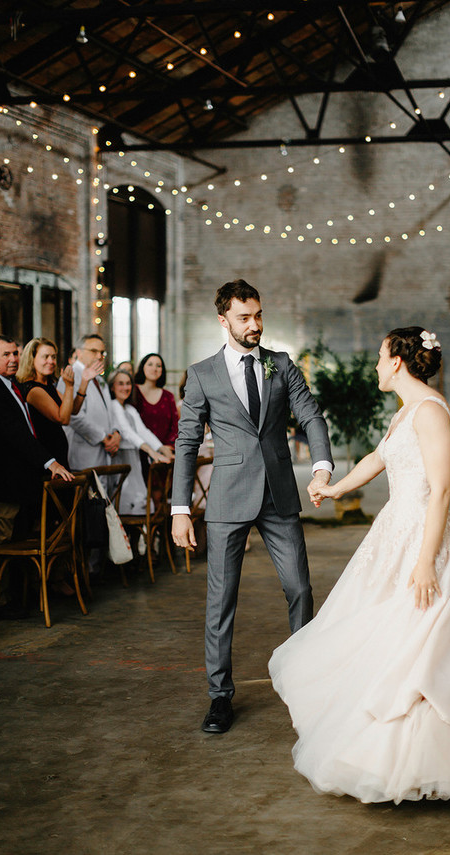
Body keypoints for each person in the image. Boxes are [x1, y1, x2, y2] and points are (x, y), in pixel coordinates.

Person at [269, 326, 450, 805]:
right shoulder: (405, 413)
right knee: (384, 635)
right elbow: (379, 458)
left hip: (424, 539)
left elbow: (442, 490)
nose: (377, 365)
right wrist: (335, 488)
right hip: (393, 533)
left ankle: (440, 758)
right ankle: (379, 749)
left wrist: (425, 562)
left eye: (381, 357)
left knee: (428, 641)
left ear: (398, 362)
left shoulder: (431, 412)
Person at [172, 279, 333, 734]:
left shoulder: (281, 365)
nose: (254, 325)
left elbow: (311, 414)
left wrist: (321, 465)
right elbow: (186, 443)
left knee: (300, 589)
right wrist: (179, 508)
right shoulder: (202, 374)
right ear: (223, 320)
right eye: (244, 317)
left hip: (280, 494)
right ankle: (220, 697)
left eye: (258, 315)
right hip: (227, 499)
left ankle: (305, 684)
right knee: (220, 602)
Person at [0, 336, 72, 617]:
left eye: (14, 353)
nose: (12, 358)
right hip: (1, 482)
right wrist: (50, 462)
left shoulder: (9, 385)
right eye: (5, 354)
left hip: (19, 480)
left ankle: (12, 598)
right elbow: (14, 433)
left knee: (14, 538)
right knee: (1, 541)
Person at [16, 337, 102, 467]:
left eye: (53, 357)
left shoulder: (49, 386)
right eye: (45, 357)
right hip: (47, 453)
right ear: (32, 359)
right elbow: (63, 419)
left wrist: (84, 382)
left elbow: (73, 409)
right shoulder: (32, 389)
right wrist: (69, 387)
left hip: (59, 452)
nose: (51, 361)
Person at [108, 369, 172, 514]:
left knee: (141, 503)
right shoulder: (113, 405)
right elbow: (127, 432)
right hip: (120, 459)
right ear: (112, 387)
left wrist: (162, 449)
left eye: (128, 383)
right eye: (120, 384)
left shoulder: (130, 408)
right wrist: (151, 452)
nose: (125, 387)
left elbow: (143, 431)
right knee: (125, 503)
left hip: (133, 458)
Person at [58, 334, 121, 471]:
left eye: (102, 353)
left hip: (105, 452)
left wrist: (116, 433)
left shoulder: (99, 379)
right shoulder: (70, 374)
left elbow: (109, 411)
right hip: (83, 451)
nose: (99, 356)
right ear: (79, 352)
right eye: (94, 351)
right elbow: (73, 416)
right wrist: (104, 438)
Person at [134, 353, 178, 459]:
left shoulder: (168, 396)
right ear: (142, 367)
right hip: (137, 451)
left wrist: (166, 447)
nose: (154, 368)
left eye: (158, 366)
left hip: (165, 453)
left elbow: (175, 426)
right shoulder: (133, 392)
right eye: (150, 364)